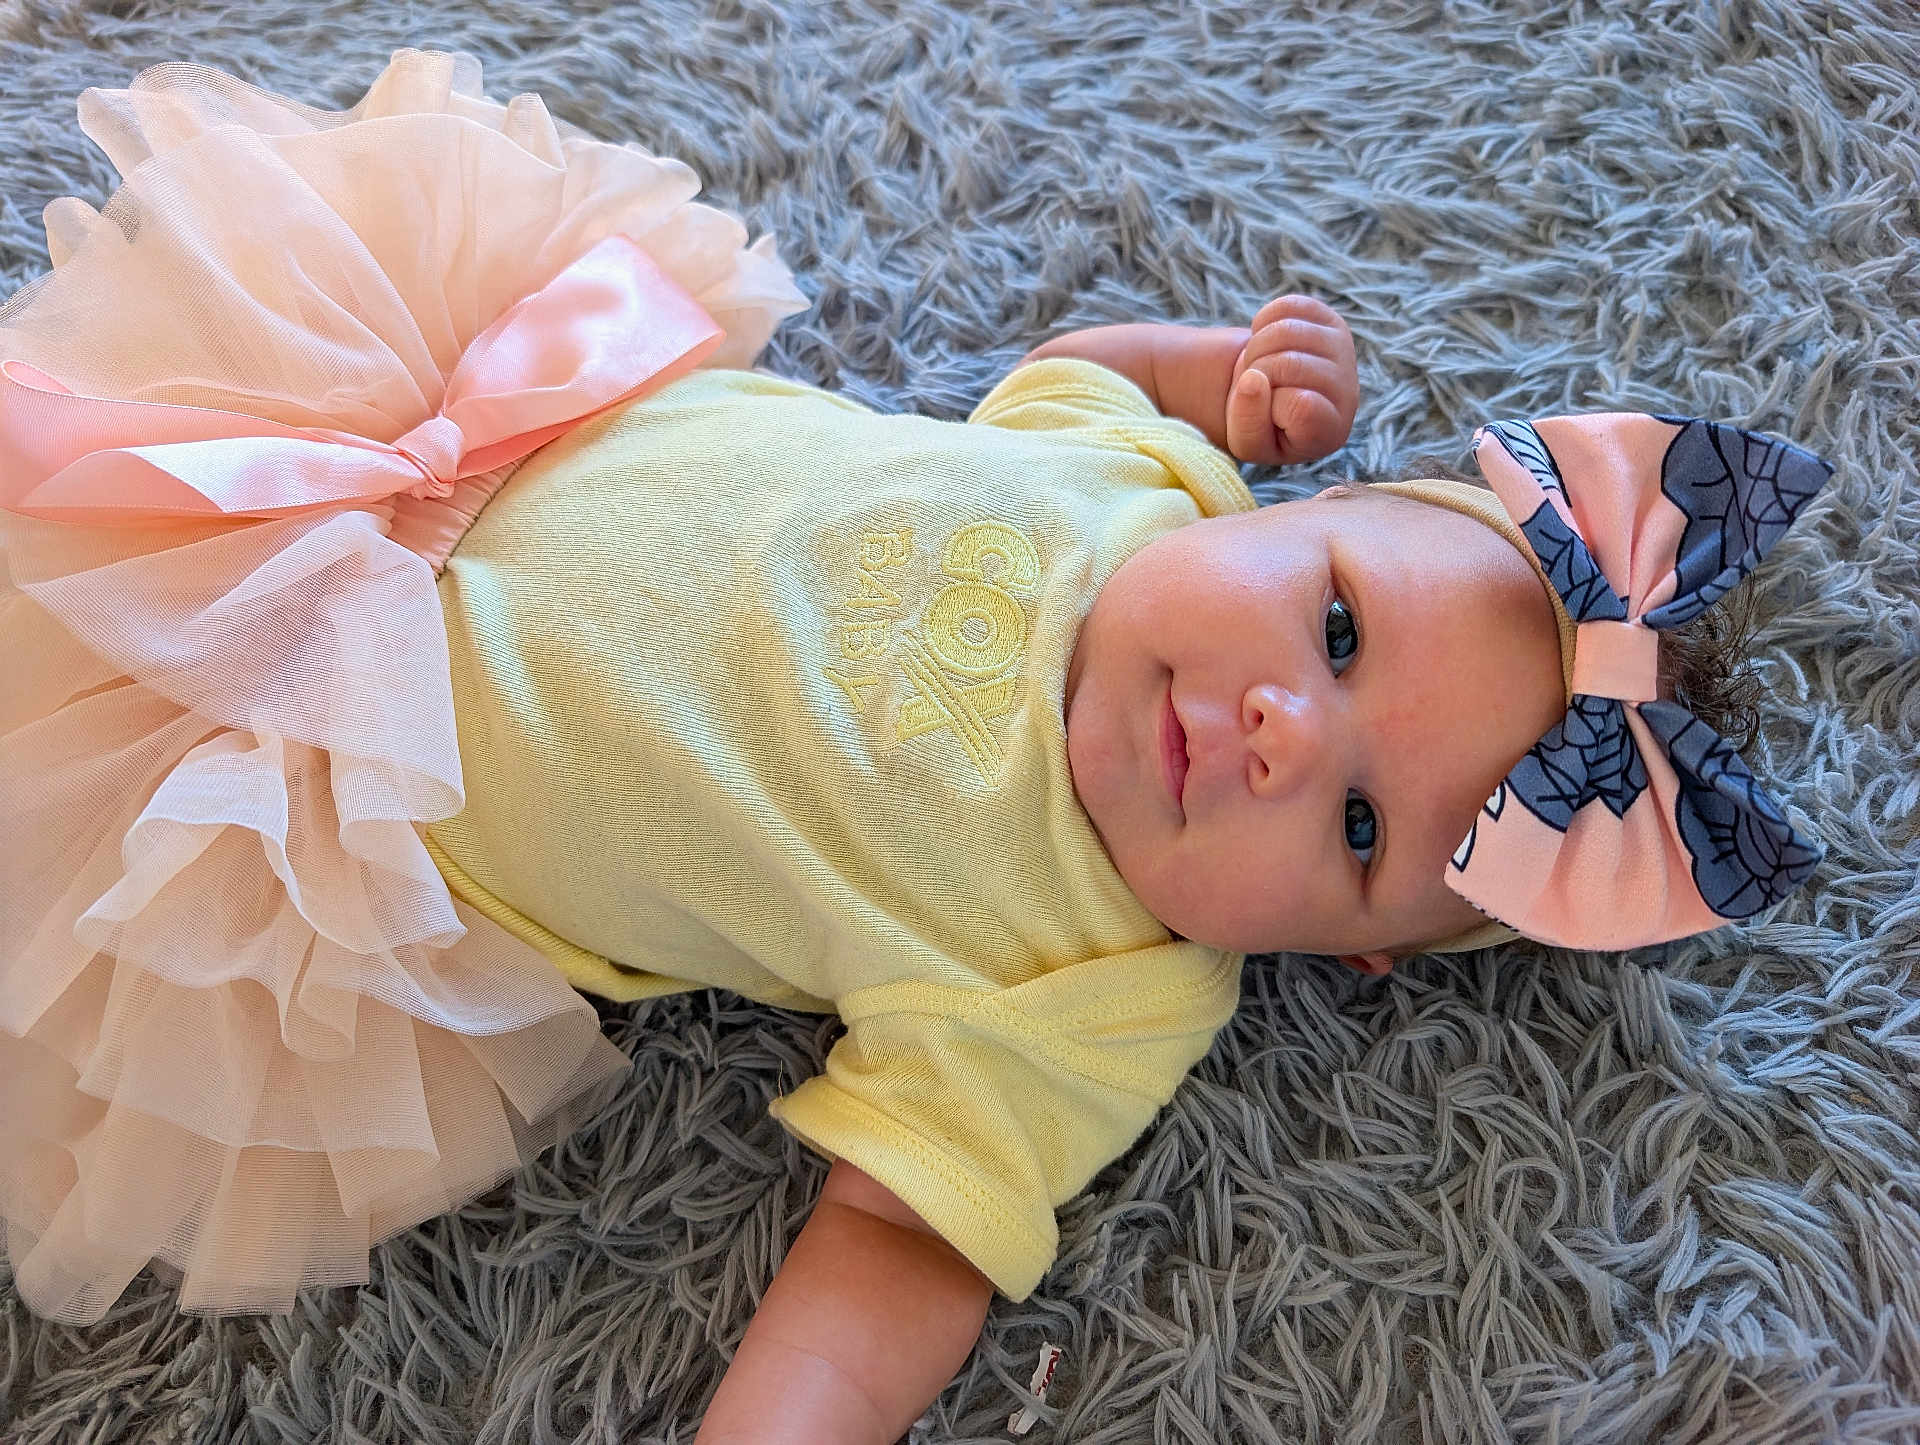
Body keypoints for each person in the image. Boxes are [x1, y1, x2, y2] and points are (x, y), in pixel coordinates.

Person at [0, 49, 1830, 1441]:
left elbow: (903, 1247)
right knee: (102, 445)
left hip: (336, 765)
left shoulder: (1098, 986)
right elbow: (1081, 367)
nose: (1283, 728)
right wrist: (1217, 373)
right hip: (464, 419)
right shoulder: (1141, 483)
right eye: (1335, 622)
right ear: (1288, 506)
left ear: (1344, 948)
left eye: (1360, 821)